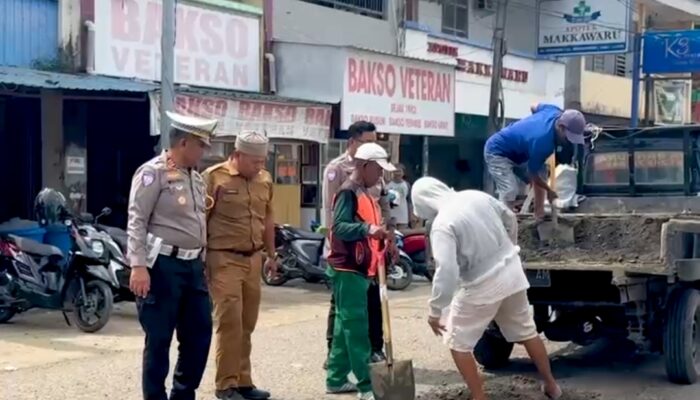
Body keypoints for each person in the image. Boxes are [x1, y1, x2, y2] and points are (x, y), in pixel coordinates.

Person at [410, 177, 562, 400]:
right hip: (512, 273)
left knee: (457, 342)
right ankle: (551, 386)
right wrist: (509, 247)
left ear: (422, 203)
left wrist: (435, 311)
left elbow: (447, 271)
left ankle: (479, 397)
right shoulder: (476, 195)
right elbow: (510, 217)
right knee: (527, 331)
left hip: (481, 284)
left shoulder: (442, 224)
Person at [127, 111, 217, 400]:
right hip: (162, 265)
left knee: (199, 334)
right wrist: (138, 266)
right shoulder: (153, 173)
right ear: (184, 143)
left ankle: (182, 394)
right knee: (159, 339)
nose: (205, 152)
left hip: (192, 266)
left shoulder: (196, 178)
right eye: (201, 145)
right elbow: (137, 219)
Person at [203, 131, 276, 400]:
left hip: (254, 258)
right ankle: (225, 385)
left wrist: (271, 253)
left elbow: (268, 218)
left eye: (262, 161)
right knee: (230, 320)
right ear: (238, 154)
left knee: (247, 322)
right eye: (255, 161)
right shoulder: (214, 177)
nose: (260, 166)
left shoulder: (264, 179)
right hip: (223, 258)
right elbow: (202, 220)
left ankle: (243, 381)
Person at [325, 143, 396, 400]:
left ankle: (336, 378)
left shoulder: (365, 193)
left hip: (360, 268)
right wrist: (367, 229)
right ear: (363, 166)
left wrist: (384, 242)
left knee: (347, 324)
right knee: (356, 327)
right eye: (378, 169)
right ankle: (366, 386)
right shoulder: (348, 193)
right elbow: (340, 227)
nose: (381, 176)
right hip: (348, 268)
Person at [483, 103, 586, 220]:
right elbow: (532, 174)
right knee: (510, 189)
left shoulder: (553, 110)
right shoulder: (543, 142)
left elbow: (533, 106)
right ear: (561, 127)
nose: (569, 141)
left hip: (520, 152)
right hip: (497, 151)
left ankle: (539, 215)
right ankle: (504, 223)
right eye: (568, 137)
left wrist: (531, 124)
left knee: (541, 173)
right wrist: (549, 191)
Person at [386, 165, 411, 229]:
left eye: (399, 171)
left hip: (403, 215)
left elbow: (409, 201)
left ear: (403, 173)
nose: (397, 173)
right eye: (395, 171)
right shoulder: (388, 185)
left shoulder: (406, 185)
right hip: (391, 215)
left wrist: (410, 215)